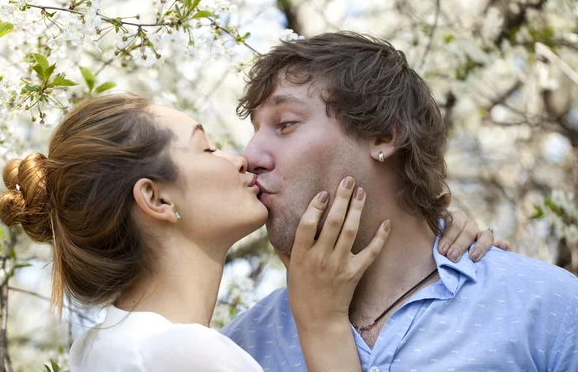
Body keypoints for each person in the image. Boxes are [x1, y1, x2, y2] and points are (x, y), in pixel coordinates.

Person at [0, 94, 494, 371]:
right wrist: (322, 327)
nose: (242, 158)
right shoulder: (185, 356)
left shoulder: (102, 347)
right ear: (157, 199)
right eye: (207, 149)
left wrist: (426, 231)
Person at [221, 32, 578, 371]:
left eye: (285, 124)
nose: (250, 155)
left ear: (383, 136)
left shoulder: (547, 308)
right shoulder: (241, 350)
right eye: (254, 131)